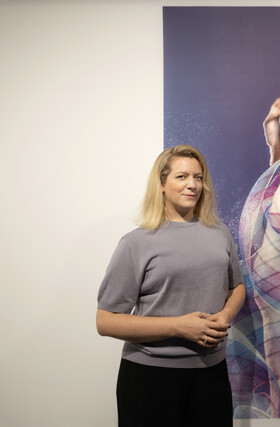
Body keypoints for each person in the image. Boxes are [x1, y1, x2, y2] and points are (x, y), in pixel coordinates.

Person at [96, 145, 245, 426]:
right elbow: (105, 321)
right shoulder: (136, 243)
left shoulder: (219, 233)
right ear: (162, 184)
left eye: (198, 177)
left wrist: (224, 317)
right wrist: (179, 327)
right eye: (182, 176)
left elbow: (236, 288)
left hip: (211, 373)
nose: (192, 185)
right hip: (150, 377)